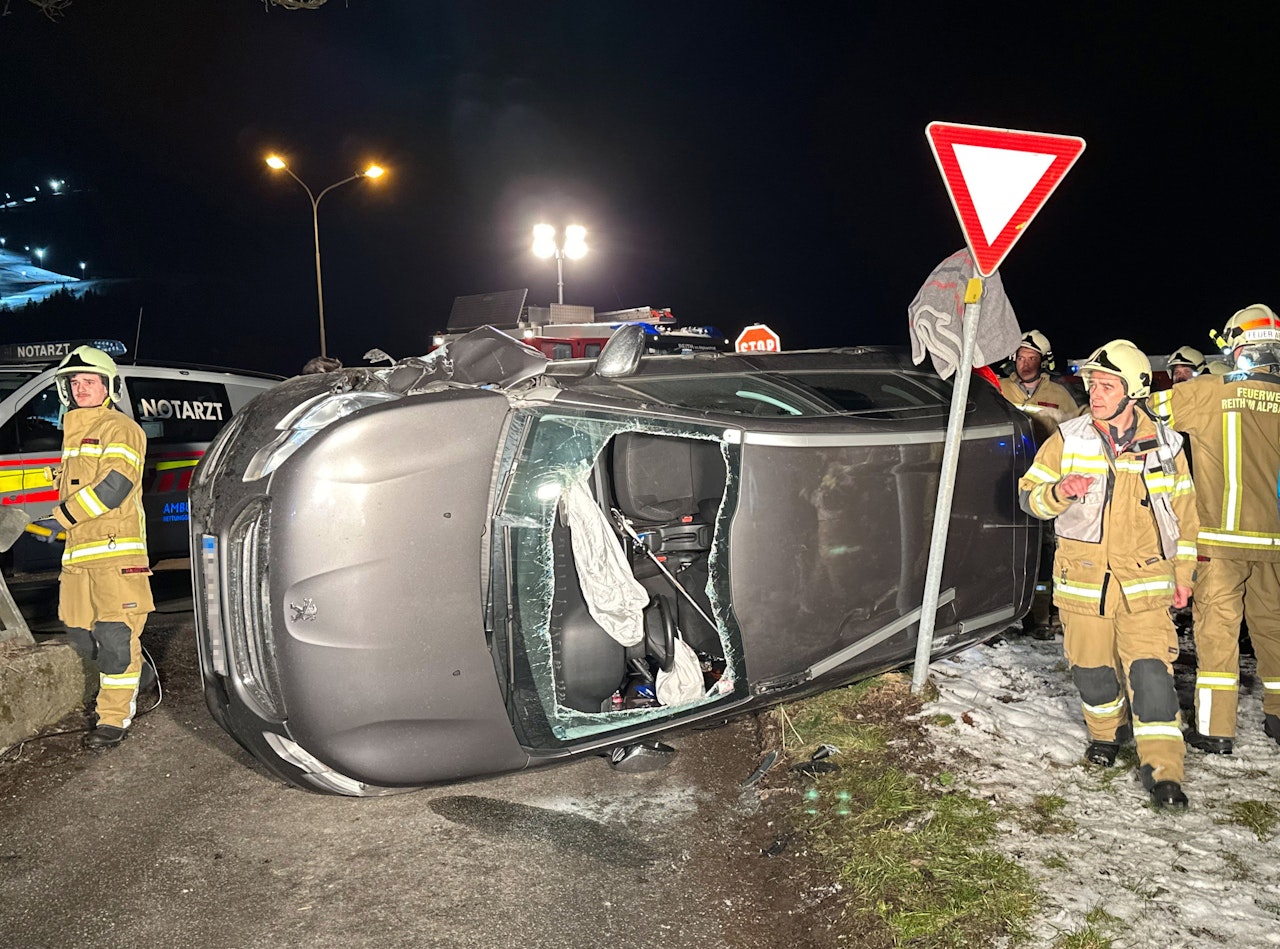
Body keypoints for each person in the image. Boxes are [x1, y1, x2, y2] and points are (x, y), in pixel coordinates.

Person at [1019, 340, 1198, 809]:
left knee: (1152, 678)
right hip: (1084, 585)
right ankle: (1107, 733)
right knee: (1094, 675)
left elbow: (1186, 516)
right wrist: (1059, 491)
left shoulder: (1166, 444)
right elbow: (1028, 496)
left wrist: (1184, 576)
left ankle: (1164, 771)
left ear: (1133, 392)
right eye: (1092, 385)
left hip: (1145, 586)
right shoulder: (1068, 439)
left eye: (1106, 386)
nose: (1095, 394)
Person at [1151, 305, 1280, 754]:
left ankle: (1215, 730)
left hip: (1221, 543)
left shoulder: (1209, 391)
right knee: (1275, 631)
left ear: (1238, 347)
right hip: (1276, 543)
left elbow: (1150, 411)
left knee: (1217, 635)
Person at [31, 346, 154, 749]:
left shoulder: (121, 429)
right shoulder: (73, 434)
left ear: (109, 387)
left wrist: (61, 519)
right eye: (74, 382)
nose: (81, 388)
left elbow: (114, 487)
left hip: (117, 558)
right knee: (84, 640)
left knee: (115, 641)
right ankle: (142, 670)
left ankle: (113, 720)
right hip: (78, 563)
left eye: (90, 381)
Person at [999, 330, 1080, 638]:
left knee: (1045, 551)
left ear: (1043, 361)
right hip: (1004, 479)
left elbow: (1075, 437)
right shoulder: (999, 389)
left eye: (1032, 358)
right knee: (1005, 546)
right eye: (1021, 357)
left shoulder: (1059, 396)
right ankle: (1000, 612)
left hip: (1044, 484)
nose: (1025, 364)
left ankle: (1040, 616)